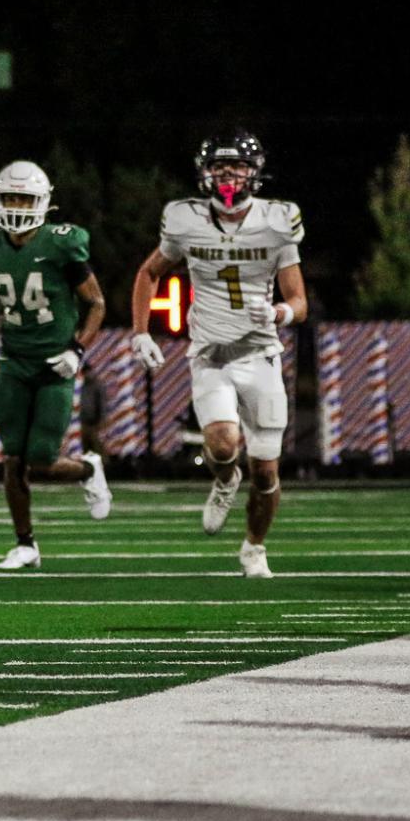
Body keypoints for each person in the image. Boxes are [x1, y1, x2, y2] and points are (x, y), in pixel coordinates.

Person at [130, 131, 307, 578]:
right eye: (220, 169)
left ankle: (253, 547)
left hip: (261, 355)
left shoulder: (277, 221)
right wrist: (140, 331)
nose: (228, 177)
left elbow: (299, 301)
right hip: (210, 355)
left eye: (238, 168)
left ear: (256, 172)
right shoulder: (185, 219)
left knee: (266, 471)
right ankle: (225, 479)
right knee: (223, 443)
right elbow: (149, 273)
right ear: (204, 173)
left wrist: (278, 312)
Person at [0, 161, 112, 571]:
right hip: (13, 363)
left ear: (42, 203)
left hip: (54, 364)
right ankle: (25, 543)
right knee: (13, 460)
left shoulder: (62, 244)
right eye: (10, 197)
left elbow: (97, 303)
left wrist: (76, 351)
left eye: (24, 198)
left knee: (41, 459)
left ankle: (87, 468)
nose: (16, 205)